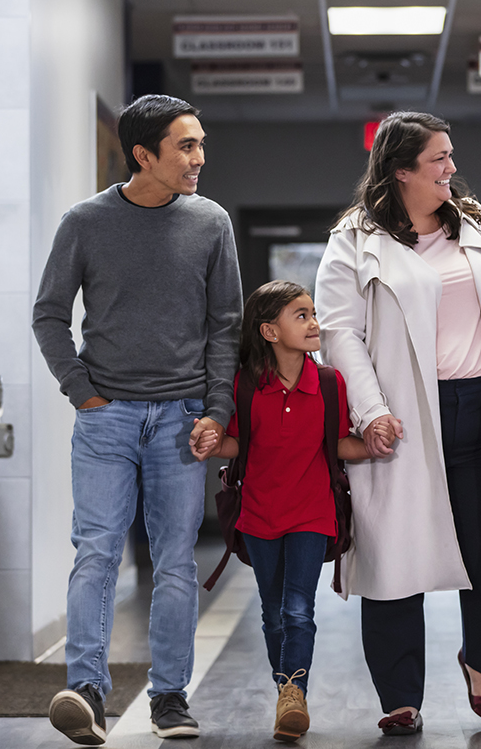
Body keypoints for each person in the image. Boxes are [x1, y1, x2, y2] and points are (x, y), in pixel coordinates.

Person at [314, 112, 481, 736]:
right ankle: (399, 697)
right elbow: (341, 335)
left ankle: (479, 660)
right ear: (402, 172)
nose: (452, 168)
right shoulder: (355, 238)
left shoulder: (477, 225)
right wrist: (370, 411)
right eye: (439, 159)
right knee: (395, 555)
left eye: (451, 156)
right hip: (405, 419)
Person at [32, 94, 242, 745]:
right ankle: (88, 690)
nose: (200, 158)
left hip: (182, 418)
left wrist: (215, 409)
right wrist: (81, 392)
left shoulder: (211, 223)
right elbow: (49, 314)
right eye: (186, 146)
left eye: (201, 143)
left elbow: (226, 327)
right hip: (106, 419)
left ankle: (170, 697)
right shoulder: (85, 223)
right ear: (143, 155)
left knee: (176, 561)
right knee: (96, 552)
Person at [192, 281, 389, 743]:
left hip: (312, 512)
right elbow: (240, 444)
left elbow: (337, 443)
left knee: (298, 608)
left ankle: (294, 693)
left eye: (314, 313)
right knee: (272, 612)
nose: (314, 323)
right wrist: (211, 442)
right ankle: (287, 691)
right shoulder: (244, 384)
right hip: (259, 514)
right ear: (269, 331)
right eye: (301, 315)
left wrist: (374, 445)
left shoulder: (328, 382)